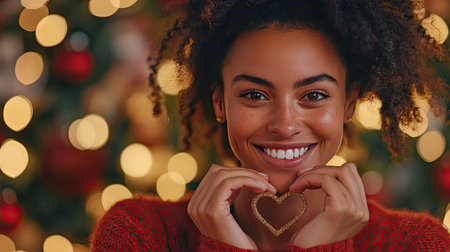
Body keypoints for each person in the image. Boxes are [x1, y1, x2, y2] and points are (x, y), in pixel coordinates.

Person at [90, 0, 450, 251]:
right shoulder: (138, 233)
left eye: (313, 95)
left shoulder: (417, 244)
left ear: (349, 103)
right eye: (255, 95)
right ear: (220, 102)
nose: (284, 125)